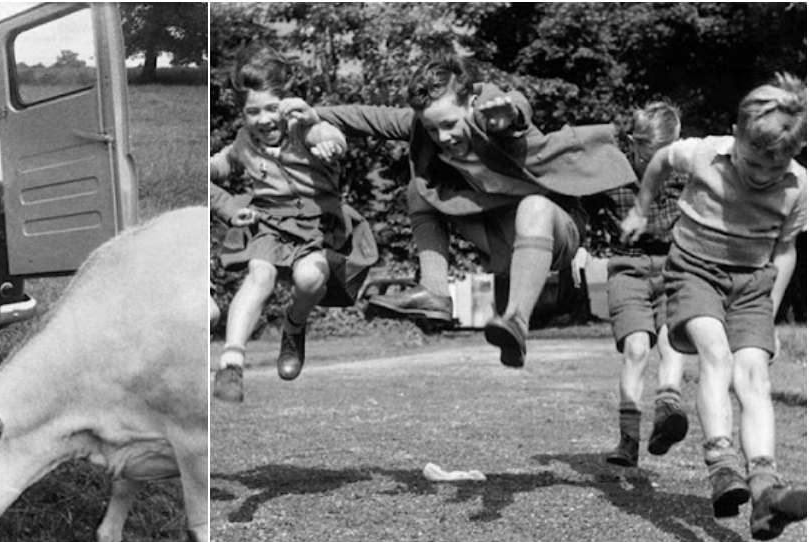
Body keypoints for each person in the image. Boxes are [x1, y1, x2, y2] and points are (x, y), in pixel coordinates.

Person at [292, 54, 636, 367]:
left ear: (470, 104)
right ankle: (435, 291)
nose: (443, 136)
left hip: (558, 229)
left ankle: (516, 320)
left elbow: (517, 105)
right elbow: (370, 117)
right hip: (505, 239)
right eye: (432, 128)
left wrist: (507, 113)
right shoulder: (427, 127)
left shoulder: (491, 112)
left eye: (450, 124)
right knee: (419, 189)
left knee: (533, 207)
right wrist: (314, 113)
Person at [621, 73, 806, 540]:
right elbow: (662, 158)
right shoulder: (706, 153)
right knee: (716, 355)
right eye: (754, 160)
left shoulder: (799, 187)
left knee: (755, 376)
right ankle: (722, 463)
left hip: (751, 287)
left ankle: (765, 488)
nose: (764, 174)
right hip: (694, 272)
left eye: (777, 163)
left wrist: (770, 310)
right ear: (736, 134)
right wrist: (642, 207)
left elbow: (785, 251)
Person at [210, 44, 376, 403]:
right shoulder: (243, 141)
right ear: (242, 113)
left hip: (318, 226)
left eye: (272, 108)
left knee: (310, 278)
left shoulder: (304, 127)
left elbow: (328, 137)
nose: (264, 119)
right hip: (269, 222)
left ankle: (294, 325)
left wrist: (328, 142)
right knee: (260, 275)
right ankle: (231, 363)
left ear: (287, 103)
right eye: (252, 112)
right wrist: (216, 189)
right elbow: (220, 165)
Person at [594, 101, 689, 467]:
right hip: (627, 267)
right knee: (636, 349)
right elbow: (580, 203)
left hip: (674, 267)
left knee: (671, 339)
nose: (663, 163)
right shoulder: (613, 173)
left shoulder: (687, 173)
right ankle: (628, 440)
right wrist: (579, 249)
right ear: (635, 145)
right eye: (654, 155)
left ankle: (667, 413)